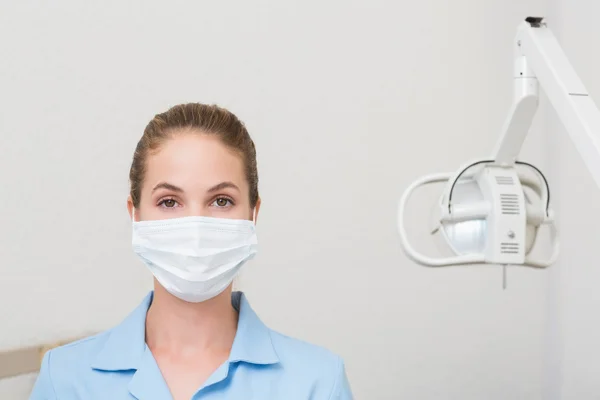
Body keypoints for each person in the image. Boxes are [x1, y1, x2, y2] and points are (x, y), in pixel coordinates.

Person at [29, 103, 353, 399]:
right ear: (135, 214)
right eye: (169, 202)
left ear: (253, 213)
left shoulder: (319, 383)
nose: (195, 227)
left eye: (221, 200)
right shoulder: (65, 379)